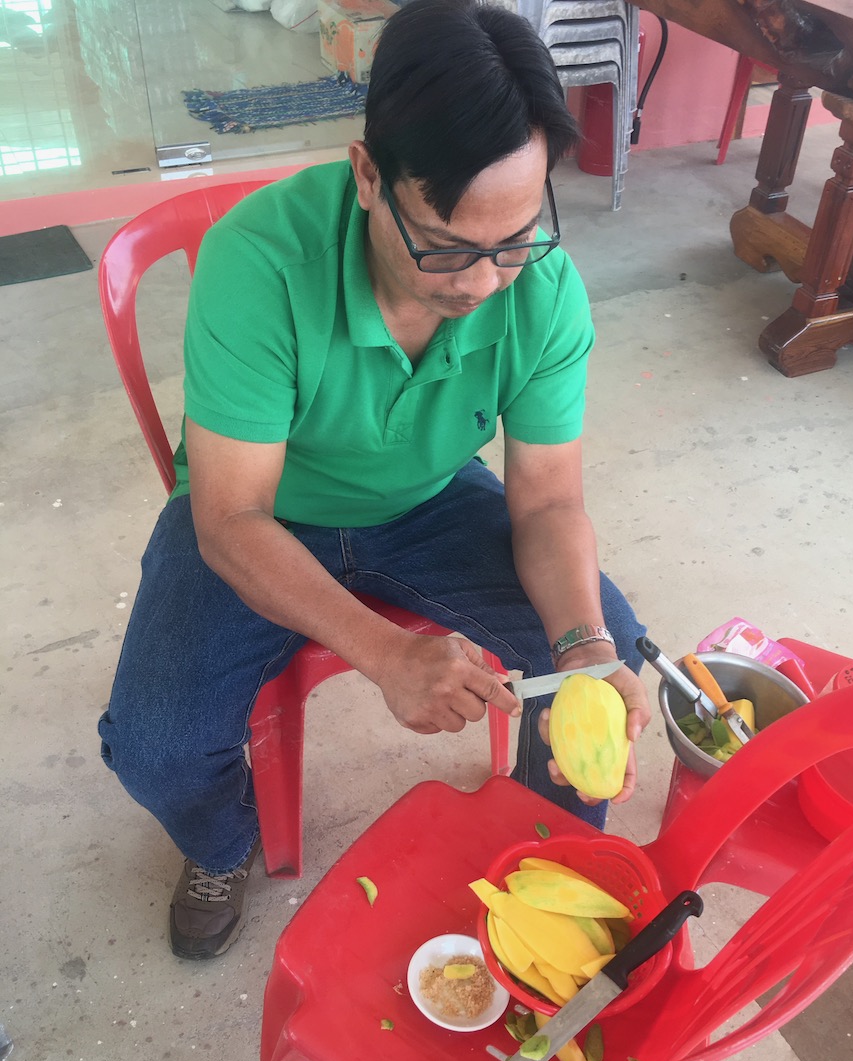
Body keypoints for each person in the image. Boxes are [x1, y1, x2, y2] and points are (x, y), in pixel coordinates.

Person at [98, 0, 651, 961]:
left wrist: (581, 646)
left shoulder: (543, 291)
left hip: (430, 498)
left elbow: (550, 500)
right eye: (446, 245)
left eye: (515, 237)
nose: (483, 282)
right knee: (158, 744)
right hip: (271, 512)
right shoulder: (260, 263)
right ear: (367, 177)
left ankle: (542, 870)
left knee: (607, 669)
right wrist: (385, 654)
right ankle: (221, 843)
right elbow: (229, 518)